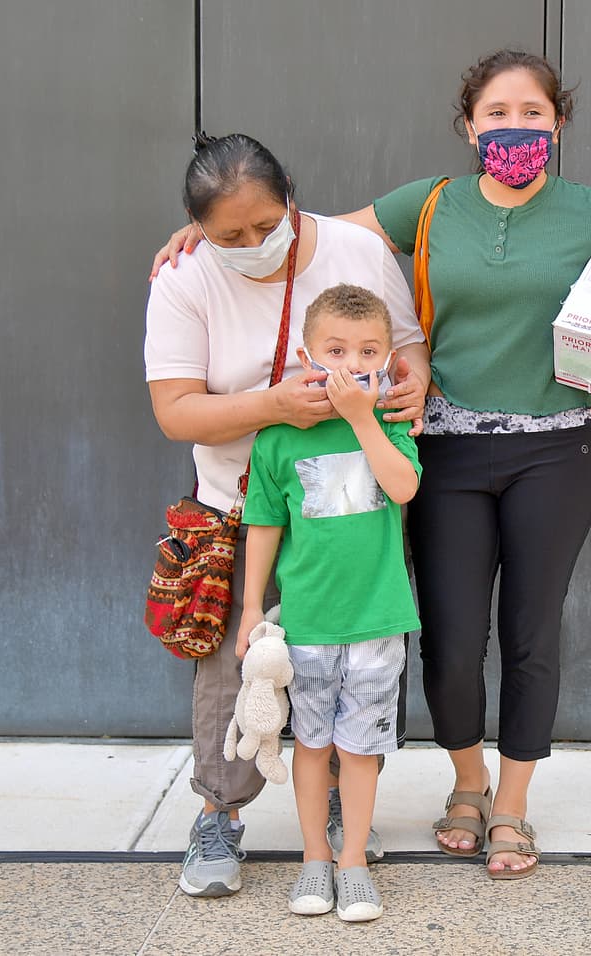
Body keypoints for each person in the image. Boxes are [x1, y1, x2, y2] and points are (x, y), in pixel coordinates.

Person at [151, 50, 591, 881]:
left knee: (527, 632)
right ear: (468, 123)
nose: (513, 128)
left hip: (553, 447)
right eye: (496, 113)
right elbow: (299, 231)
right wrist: (210, 229)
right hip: (443, 452)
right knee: (443, 638)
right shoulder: (431, 204)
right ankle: (453, 787)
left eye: (531, 113)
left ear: (558, 123)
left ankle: (507, 808)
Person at [144, 133, 429, 899]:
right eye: (228, 235)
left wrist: (407, 391)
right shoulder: (185, 277)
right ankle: (219, 813)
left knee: (352, 659)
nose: (251, 245)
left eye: (265, 226)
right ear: (196, 228)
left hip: (350, 500)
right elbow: (175, 410)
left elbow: (406, 348)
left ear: (292, 199)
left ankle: (341, 817)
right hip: (243, 501)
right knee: (237, 668)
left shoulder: (354, 251)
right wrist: (273, 408)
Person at [237, 283, 420, 922]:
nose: (351, 362)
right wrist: (251, 609)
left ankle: (354, 863)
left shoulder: (391, 421)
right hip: (308, 621)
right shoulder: (279, 438)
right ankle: (315, 858)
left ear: (388, 356)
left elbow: (402, 489)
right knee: (311, 745)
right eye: (336, 349)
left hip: (377, 619)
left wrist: (365, 415)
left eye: (368, 349)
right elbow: (263, 523)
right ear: (307, 353)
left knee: (362, 750)